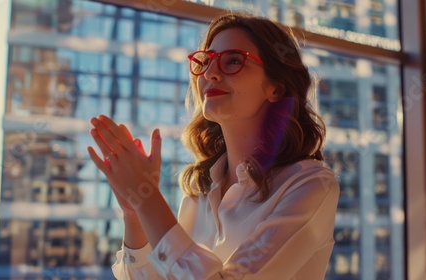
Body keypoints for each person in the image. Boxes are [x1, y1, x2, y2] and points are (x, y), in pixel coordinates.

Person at [87, 11, 339, 280]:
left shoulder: (309, 185)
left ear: (275, 89)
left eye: (233, 61)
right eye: (206, 61)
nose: (210, 73)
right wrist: (135, 213)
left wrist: (148, 200)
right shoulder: (201, 192)